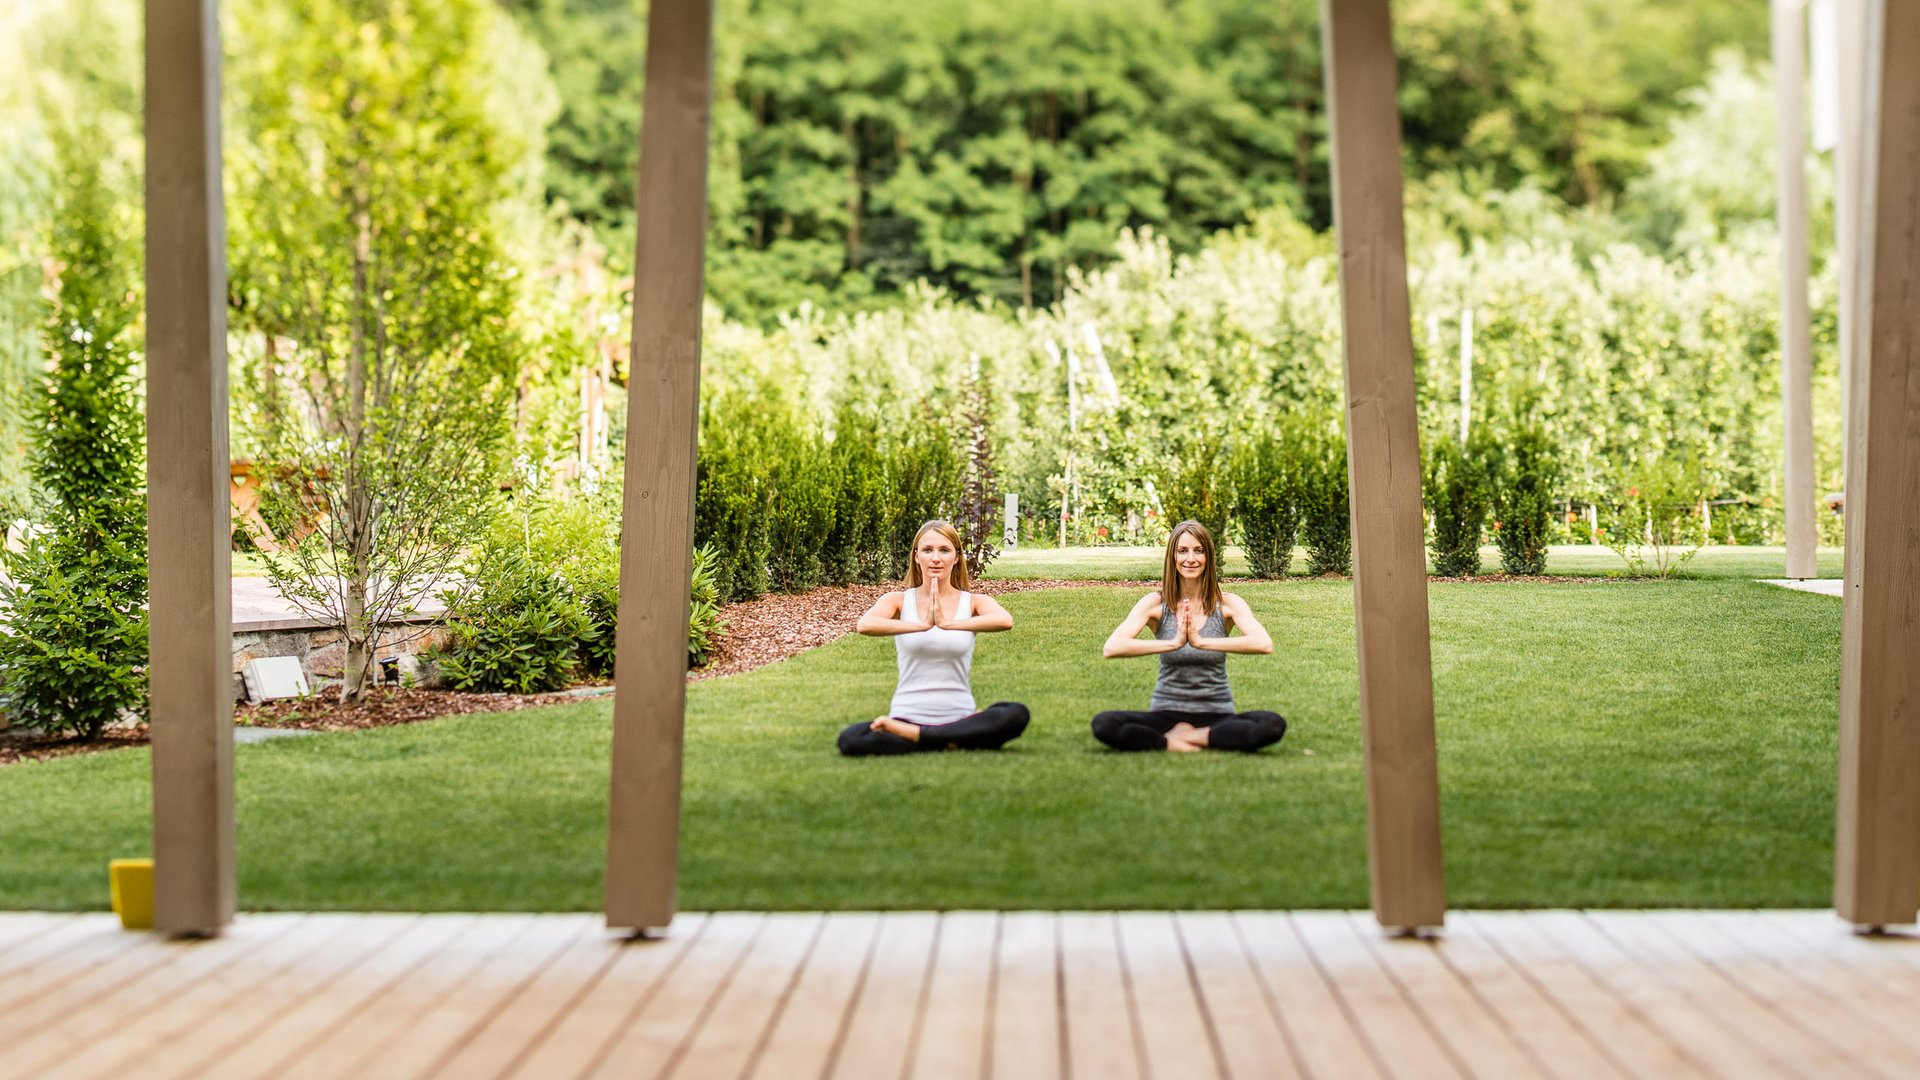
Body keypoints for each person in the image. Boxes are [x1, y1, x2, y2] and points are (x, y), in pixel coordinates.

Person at [838, 520, 1030, 756]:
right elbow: (865, 624)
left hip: (960, 716)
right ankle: (953, 740)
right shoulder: (897, 600)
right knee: (851, 738)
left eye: (944, 550)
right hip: (907, 715)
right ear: (916, 556)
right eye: (927, 550)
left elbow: (1004, 620)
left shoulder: (973, 602)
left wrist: (948, 623)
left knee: (1015, 713)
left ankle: (920, 738)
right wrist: (921, 624)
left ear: (957, 557)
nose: (935, 558)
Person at [1091, 520, 1287, 752]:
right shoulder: (1155, 604)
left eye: (1198, 550)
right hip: (1165, 713)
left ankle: (1192, 737)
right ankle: (1174, 741)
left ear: (1208, 557)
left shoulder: (1227, 604)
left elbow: (1263, 643)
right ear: (1172, 557)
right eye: (1182, 551)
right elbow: (1112, 647)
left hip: (1217, 713)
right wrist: (1173, 643)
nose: (1190, 559)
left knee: (1271, 724)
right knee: (1104, 724)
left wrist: (1201, 641)